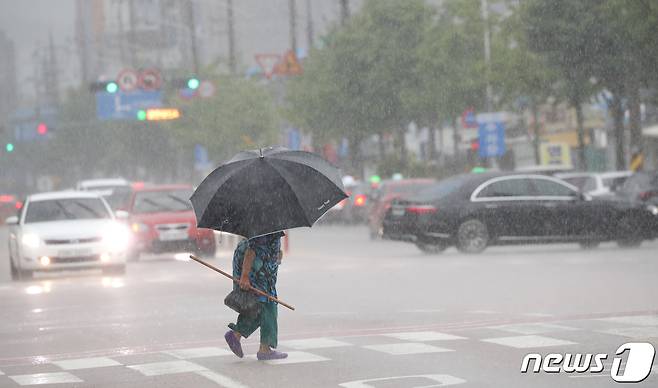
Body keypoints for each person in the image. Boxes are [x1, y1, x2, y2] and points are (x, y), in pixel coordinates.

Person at [224, 231, 288, 360]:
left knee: (261, 307)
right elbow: (252, 250)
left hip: (262, 269)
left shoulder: (272, 221)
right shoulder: (266, 224)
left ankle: (237, 335)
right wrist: (245, 276)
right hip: (256, 270)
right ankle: (264, 348)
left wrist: (276, 254)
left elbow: (269, 246)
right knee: (267, 306)